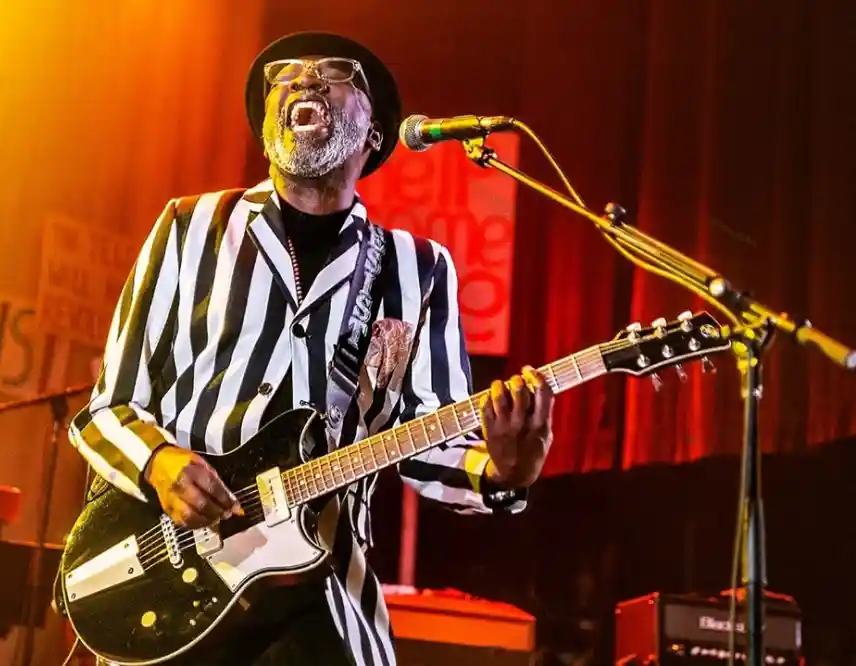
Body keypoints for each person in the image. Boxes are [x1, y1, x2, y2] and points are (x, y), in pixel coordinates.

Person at [68, 31, 555, 666]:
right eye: (284, 74)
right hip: (172, 581)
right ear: (267, 124)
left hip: (323, 597)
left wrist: (500, 472)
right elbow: (107, 409)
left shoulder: (418, 269)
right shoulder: (188, 228)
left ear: (374, 131)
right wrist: (159, 463)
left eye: (333, 71)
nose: (304, 78)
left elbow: (430, 440)